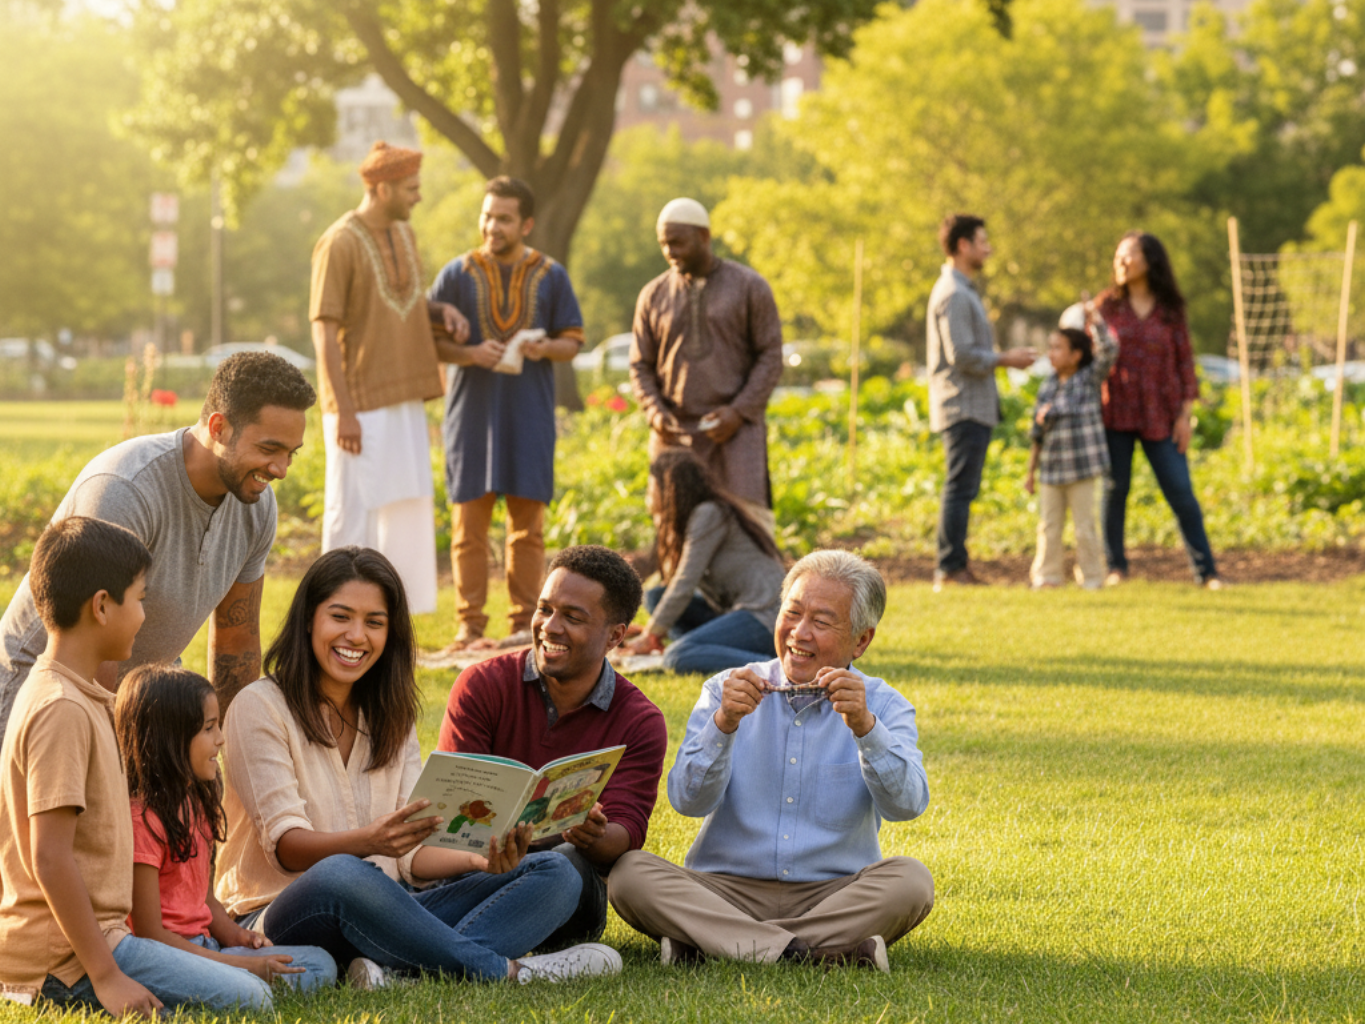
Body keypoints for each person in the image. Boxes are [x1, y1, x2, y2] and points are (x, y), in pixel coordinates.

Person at [216, 546, 619, 987]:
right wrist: (370, 841)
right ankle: (508, 971)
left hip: (393, 908)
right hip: (284, 910)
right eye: (340, 617)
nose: (356, 636)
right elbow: (286, 846)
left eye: (374, 623)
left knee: (557, 871)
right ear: (309, 618)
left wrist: (479, 859)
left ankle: (401, 971)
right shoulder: (259, 707)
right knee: (343, 870)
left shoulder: (389, 714)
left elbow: (410, 854)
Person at [608, 550, 934, 971]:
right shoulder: (725, 690)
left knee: (911, 881)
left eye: (821, 621)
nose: (799, 632)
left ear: (861, 640)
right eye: (792, 613)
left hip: (831, 893)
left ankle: (713, 943)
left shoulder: (884, 705)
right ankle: (816, 951)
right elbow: (687, 801)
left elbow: (907, 805)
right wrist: (724, 723)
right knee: (630, 873)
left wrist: (865, 727)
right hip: (723, 890)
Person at [0, 516, 267, 1015]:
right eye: (140, 598)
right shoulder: (61, 708)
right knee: (249, 997)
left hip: (103, 939)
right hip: (65, 959)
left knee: (266, 983)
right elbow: (50, 857)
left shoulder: (86, 696)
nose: (145, 615)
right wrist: (107, 977)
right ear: (102, 606)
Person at [0, 351, 315, 741]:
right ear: (219, 428)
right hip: (44, 697)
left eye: (290, 453)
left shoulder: (256, 506)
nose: (281, 469)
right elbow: (93, 646)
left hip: (141, 699)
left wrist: (229, 751)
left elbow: (238, 643)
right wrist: (126, 767)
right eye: (269, 450)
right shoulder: (126, 490)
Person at [438, 545, 668, 950]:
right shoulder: (481, 685)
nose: (550, 627)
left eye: (573, 617)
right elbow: (452, 812)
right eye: (545, 609)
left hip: (567, 890)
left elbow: (627, 832)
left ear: (615, 636)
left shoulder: (639, 720)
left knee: (563, 864)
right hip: (472, 872)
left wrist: (592, 833)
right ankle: (503, 962)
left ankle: (429, 952)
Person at [310, 140, 470, 615]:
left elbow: (402, 301)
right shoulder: (338, 242)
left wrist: (441, 310)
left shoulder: (404, 235)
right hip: (358, 405)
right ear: (381, 188)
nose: (418, 197)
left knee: (407, 507)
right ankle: (335, 611)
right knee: (353, 516)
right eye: (411, 188)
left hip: (404, 399)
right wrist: (343, 412)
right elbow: (324, 328)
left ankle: (394, 617)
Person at [116, 665, 336, 1008]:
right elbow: (149, 935)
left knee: (320, 963)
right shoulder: (140, 821)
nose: (221, 738)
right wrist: (241, 965)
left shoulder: (195, 801)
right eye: (209, 728)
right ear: (169, 738)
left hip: (209, 947)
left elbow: (204, 899)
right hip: (169, 956)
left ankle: (222, 985)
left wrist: (239, 937)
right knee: (256, 995)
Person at [429, 176, 586, 651]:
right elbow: (428, 341)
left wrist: (541, 347)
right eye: (487, 215)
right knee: (467, 531)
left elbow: (572, 341)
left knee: (527, 531)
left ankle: (523, 623)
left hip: (528, 417)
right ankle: (469, 626)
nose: (491, 225)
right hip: (470, 416)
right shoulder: (456, 273)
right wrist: (470, 354)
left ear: (527, 223)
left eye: (503, 218)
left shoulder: (551, 275)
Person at [630, 197, 784, 533]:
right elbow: (639, 365)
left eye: (678, 242)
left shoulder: (749, 287)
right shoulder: (653, 295)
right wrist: (656, 413)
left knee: (747, 525)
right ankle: (676, 588)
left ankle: (751, 588)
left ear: (704, 236)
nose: (670, 251)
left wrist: (738, 411)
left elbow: (771, 355)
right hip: (675, 433)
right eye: (664, 244)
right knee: (672, 526)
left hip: (735, 431)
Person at [1098, 232, 1221, 588]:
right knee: (1114, 489)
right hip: (1115, 412)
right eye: (1118, 256)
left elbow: (1185, 364)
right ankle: (1115, 568)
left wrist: (1185, 416)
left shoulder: (1170, 310)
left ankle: (1206, 572)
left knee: (1181, 491)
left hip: (1162, 415)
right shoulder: (1107, 307)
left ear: (1150, 261)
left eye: (1129, 256)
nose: (1121, 262)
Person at [926, 214, 1036, 590]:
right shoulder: (954, 293)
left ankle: (955, 565)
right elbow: (961, 355)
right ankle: (951, 568)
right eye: (982, 241)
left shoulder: (964, 290)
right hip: (963, 405)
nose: (988, 248)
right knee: (959, 487)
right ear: (963, 246)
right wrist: (1006, 359)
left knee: (963, 487)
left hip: (973, 405)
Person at [619, 449, 785, 674]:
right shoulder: (692, 519)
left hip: (765, 615)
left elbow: (685, 582)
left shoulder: (709, 514)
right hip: (734, 611)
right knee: (655, 596)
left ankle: (778, 668)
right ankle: (704, 651)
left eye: (651, 488)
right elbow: (669, 578)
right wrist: (651, 629)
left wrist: (651, 634)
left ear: (669, 490)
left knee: (678, 656)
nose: (648, 495)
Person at [1024, 313, 1120, 589]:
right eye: (1050, 347)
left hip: (1082, 469)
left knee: (1085, 527)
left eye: (1057, 348)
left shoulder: (1088, 380)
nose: (1051, 354)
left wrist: (1096, 323)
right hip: (1051, 471)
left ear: (1076, 355)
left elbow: (1110, 350)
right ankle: (1047, 575)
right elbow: (1037, 435)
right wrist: (1031, 472)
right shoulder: (1047, 387)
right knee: (1049, 526)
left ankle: (1092, 577)